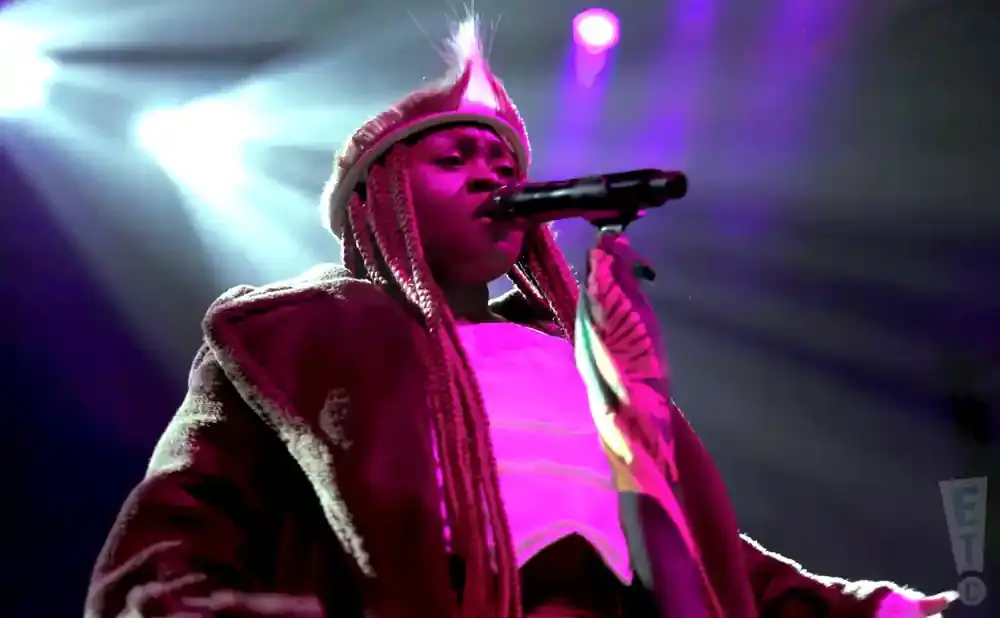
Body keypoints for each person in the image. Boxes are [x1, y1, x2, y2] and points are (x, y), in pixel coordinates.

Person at [85, 16, 957, 618]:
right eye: (455, 155)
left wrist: (889, 605)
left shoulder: (578, 361)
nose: (490, 174)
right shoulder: (296, 338)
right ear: (379, 197)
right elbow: (176, 536)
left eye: (502, 159)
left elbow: (718, 563)